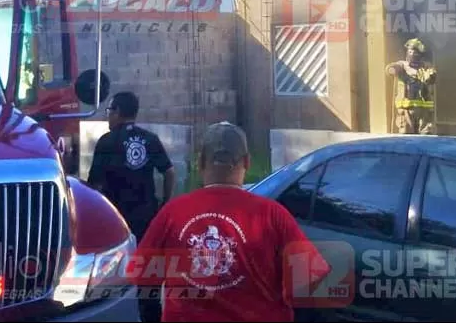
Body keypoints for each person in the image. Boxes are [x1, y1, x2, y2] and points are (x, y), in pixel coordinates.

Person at [133, 122, 331, 322]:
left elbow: (143, 280)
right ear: (247, 162)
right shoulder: (273, 215)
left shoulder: (172, 213)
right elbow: (309, 283)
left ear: (200, 162)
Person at [87, 91, 176, 241]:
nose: (107, 115)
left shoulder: (106, 141)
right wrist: (165, 202)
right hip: (146, 216)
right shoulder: (150, 139)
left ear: (118, 112)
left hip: (115, 216)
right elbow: (169, 172)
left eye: (109, 111)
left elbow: (94, 185)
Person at [385, 37, 437, 135]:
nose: (412, 54)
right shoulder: (402, 65)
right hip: (406, 111)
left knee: (426, 135)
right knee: (406, 136)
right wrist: (392, 69)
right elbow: (391, 68)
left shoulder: (426, 66)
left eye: (415, 52)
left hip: (423, 112)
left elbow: (432, 76)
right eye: (410, 51)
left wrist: (429, 76)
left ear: (420, 54)